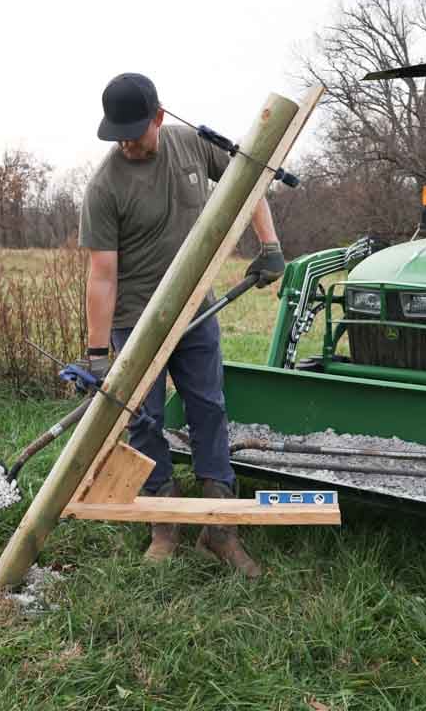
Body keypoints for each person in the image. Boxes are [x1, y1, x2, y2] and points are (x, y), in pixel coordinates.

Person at [76, 72, 286, 578]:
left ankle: (220, 529)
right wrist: (98, 354)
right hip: (136, 320)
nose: (127, 141)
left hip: (195, 309)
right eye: (118, 133)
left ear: (160, 117)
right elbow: (102, 276)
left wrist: (271, 246)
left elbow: (249, 177)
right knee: (143, 420)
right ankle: (163, 522)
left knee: (209, 408)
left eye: (135, 130)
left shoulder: (192, 146)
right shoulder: (104, 187)